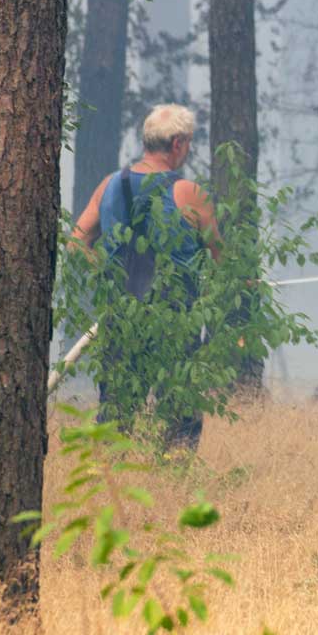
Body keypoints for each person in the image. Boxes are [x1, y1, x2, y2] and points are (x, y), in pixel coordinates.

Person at [72, 104, 218, 449]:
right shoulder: (188, 193)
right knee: (180, 417)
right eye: (189, 143)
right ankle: (174, 484)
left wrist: (109, 274)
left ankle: (112, 485)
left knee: (116, 414)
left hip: (122, 316)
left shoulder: (110, 185)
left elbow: (77, 242)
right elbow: (219, 258)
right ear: (178, 143)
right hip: (176, 321)